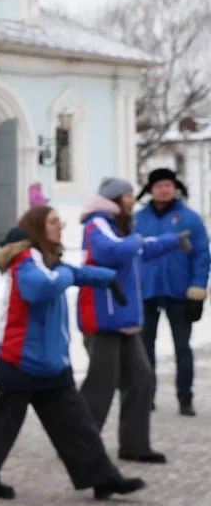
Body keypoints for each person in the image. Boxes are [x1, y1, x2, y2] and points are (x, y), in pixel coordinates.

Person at [0, 208, 146, 501]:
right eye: (53, 222)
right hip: (22, 358)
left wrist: (107, 278)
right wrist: (65, 273)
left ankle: (103, 478)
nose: (60, 227)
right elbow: (40, 288)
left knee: (77, 426)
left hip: (50, 362)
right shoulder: (25, 259)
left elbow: (72, 272)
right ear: (38, 227)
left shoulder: (45, 259)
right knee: (1, 425)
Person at [78, 177, 189, 463]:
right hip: (105, 318)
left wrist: (172, 242)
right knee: (100, 385)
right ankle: (79, 442)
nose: (132, 199)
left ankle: (134, 445)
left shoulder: (119, 227)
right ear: (114, 199)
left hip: (123, 318)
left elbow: (140, 248)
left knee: (141, 378)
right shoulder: (97, 224)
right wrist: (136, 240)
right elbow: (111, 250)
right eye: (127, 195)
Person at [136, 167, 209, 417]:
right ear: (150, 190)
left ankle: (185, 396)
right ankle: (147, 396)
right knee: (145, 347)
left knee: (182, 346)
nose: (164, 189)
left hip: (180, 291)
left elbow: (201, 255)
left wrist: (198, 287)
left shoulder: (190, 217)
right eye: (159, 186)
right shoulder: (139, 218)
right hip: (147, 290)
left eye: (169, 185)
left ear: (175, 188)